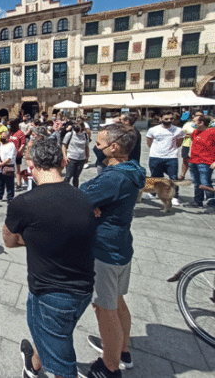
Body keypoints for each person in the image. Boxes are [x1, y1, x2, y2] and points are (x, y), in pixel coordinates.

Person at [3, 138, 96, 378]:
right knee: (54, 336)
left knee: (63, 365)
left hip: (49, 292)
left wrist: (34, 238)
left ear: (30, 164)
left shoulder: (23, 203)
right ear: (64, 163)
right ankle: (33, 365)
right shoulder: (84, 197)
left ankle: (42, 366)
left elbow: (10, 241)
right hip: (84, 290)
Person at [79, 123, 146, 378]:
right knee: (117, 302)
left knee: (104, 308)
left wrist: (90, 202)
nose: (95, 147)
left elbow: (81, 196)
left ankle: (109, 366)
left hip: (104, 249)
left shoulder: (114, 177)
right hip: (121, 244)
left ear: (114, 147)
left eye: (98, 143)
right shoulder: (131, 170)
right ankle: (122, 350)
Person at [145, 110, 184, 205]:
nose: (169, 120)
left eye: (171, 118)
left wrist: (170, 150)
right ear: (160, 118)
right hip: (155, 157)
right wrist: (157, 150)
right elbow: (149, 142)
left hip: (171, 157)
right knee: (156, 177)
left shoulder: (178, 130)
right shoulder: (153, 130)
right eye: (166, 118)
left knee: (173, 178)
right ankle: (153, 193)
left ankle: (174, 196)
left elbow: (179, 143)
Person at [187, 115, 215, 208]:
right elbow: (192, 141)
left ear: (201, 122)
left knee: (205, 182)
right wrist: (190, 152)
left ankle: (211, 202)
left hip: (206, 161)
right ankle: (197, 201)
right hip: (193, 161)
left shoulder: (212, 132)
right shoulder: (195, 132)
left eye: (194, 121)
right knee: (196, 182)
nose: (192, 123)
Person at [62, 121, 90, 188]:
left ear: (82, 127)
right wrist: (65, 156)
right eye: (75, 126)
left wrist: (87, 157)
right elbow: (64, 145)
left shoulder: (85, 135)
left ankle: (75, 190)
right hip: (71, 158)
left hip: (81, 159)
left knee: (76, 176)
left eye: (78, 126)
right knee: (68, 176)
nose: (76, 128)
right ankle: (64, 189)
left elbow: (86, 146)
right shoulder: (70, 134)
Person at [0, 131, 17, 202]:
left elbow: (10, 158)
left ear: (8, 138)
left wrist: (1, 164)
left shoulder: (11, 145)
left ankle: (10, 197)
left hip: (7, 167)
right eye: (1, 136)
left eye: (4, 136)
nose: (2, 138)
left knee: (9, 183)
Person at [179, 111, 203, 180]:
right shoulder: (187, 124)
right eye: (197, 115)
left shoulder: (204, 124)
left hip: (199, 145)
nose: (199, 117)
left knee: (198, 161)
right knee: (185, 160)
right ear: (193, 116)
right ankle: (182, 175)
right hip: (187, 144)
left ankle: (197, 176)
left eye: (200, 115)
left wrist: (191, 134)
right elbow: (182, 133)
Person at [9, 118, 27, 191]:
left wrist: (19, 151)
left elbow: (23, 143)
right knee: (10, 169)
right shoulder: (11, 133)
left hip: (17, 154)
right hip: (10, 154)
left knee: (17, 169)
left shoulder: (20, 133)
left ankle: (19, 184)